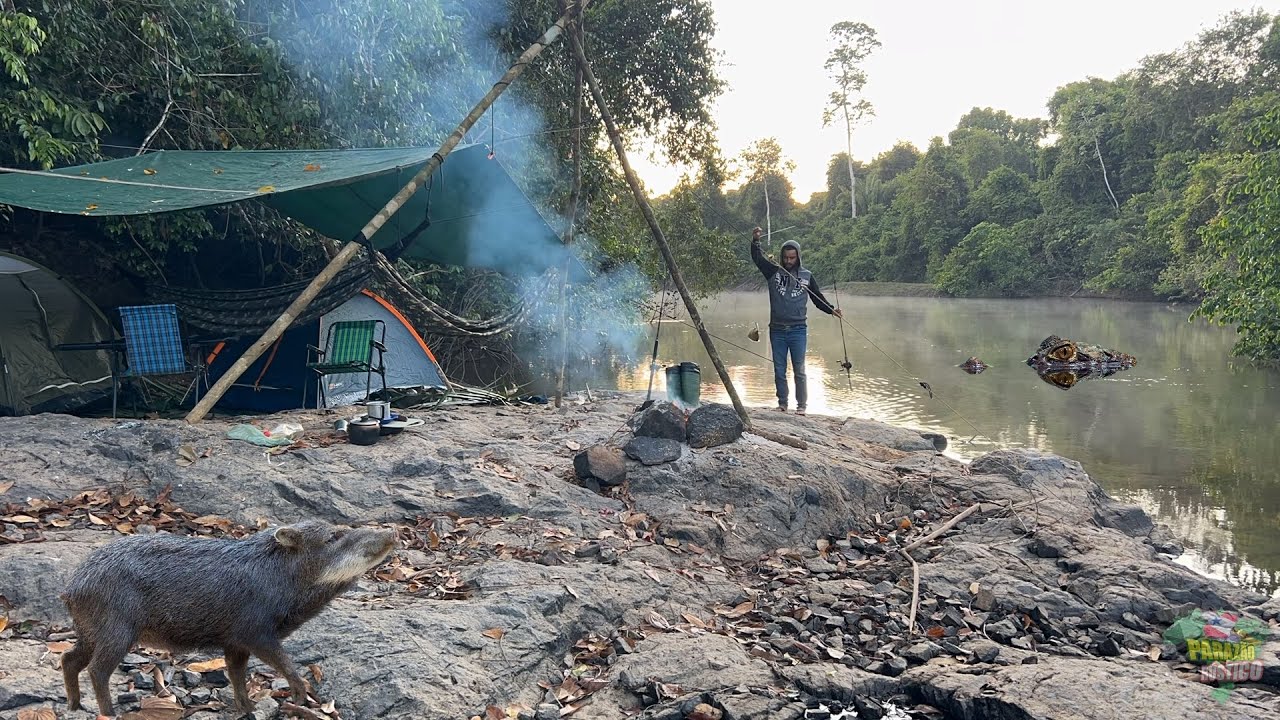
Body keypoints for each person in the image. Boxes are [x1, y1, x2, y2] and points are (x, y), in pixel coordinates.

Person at [750, 227, 843, 415]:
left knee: (799, 370)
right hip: (777, 330)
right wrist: (756, 240)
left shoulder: (807, 276)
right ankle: (782, 403)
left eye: (792, 258)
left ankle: (801, 406)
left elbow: (817, 299)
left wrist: (832, 310)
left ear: (798, 257)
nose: (789, 261)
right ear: (782, 256)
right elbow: (758, 259)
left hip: (798, 330)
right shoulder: (773, 271)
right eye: (786, 257)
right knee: (779, 369)